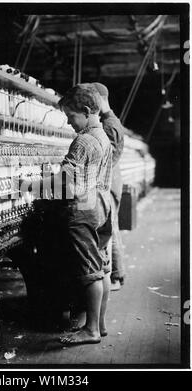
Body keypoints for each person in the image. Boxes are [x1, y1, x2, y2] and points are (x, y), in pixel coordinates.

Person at [20, 84, 113, 344]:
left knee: (89, 271)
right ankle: (100, 325)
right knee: (102, 268)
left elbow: (65, 184)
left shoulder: (82, 141)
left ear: (85, 111)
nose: (69, 122)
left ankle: (91, 330)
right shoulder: (103, 136)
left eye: (71, 116)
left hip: (82, 209)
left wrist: (28, 186)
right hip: (101, 205)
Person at [89, 82, 126, 291]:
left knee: (109, 230)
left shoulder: (110, 124)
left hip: (109, 184)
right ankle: (116, 275)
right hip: (111, 182)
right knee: (113, 229)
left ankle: (113, 277)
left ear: (100, 98)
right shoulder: (108, 121)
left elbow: (107, 158)